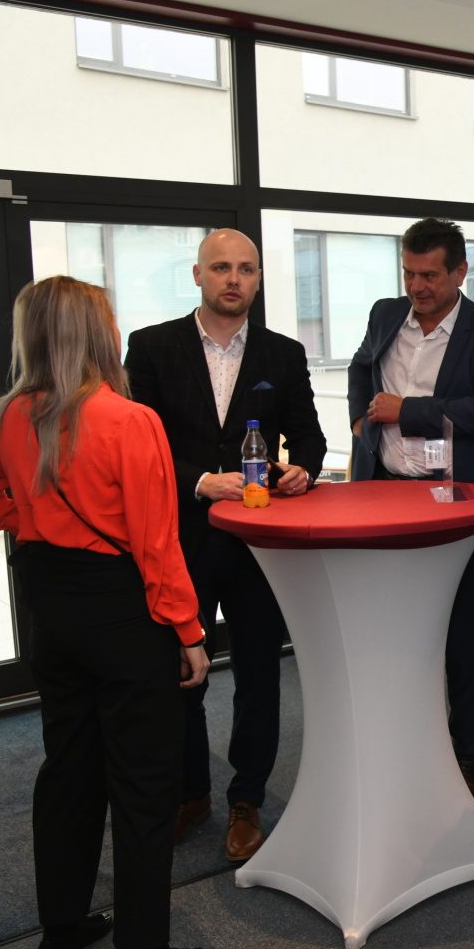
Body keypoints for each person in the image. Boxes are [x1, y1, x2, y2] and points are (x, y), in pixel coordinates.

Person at [0, 276, 229, 949]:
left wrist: (31, 516)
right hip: (120, 614)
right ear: (97, 334)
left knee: (68, 770)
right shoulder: (129, 420)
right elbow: (156, 544)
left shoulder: (11, 416)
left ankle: (61, 928)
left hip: (53, 612)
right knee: (143, 784)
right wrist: (190, 632)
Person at [126, 228, 327, 863]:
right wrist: (200, 481)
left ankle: (247, 800)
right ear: (198, 275)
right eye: (220, 268)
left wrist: (303, 471)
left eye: (245, 268)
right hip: (178, 539)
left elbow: (310, 437)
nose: (233, 279)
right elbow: (137, 446)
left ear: (258, 278)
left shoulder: (283, 353)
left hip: (255, 544)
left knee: (258, 675)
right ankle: (191, 794)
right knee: (180, 674)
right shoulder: (151, 347)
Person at [347, 217, 474, 802]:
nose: (416, 287)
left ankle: (467, 756)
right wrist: (360, 418)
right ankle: (401, 747)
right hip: (385, 495)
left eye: (429, 275)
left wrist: (406, 410)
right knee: (391, 631)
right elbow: (360, 366)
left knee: (460, 633)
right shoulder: (384, 314)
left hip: (453, 503)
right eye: (408, 273)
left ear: (460, 272)